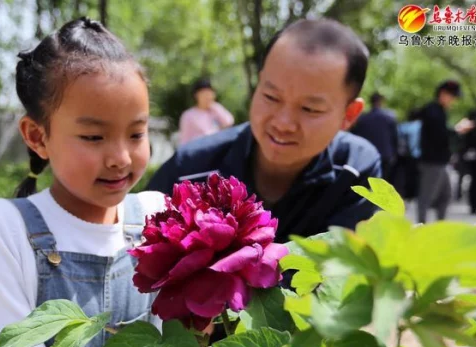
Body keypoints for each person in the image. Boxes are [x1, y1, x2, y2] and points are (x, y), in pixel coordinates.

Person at [0, 17, 165, 347]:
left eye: (137, 133)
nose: (121, 157)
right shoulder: (5, 229)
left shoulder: (159, 215)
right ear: (37, 136)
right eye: (93, 137)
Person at [148, 18, 381, 245]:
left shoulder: (355, 171)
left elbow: (339, 273)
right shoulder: (189, 170)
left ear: (349, 114)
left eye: (310, 109)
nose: (283, 123)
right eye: (271, 97)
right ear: (259, 85)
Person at [416, 80, 472, 223]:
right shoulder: (433, 110)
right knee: (426, 197)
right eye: (452, 97)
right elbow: (439, 135)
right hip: (432, 162)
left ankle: (440, 228)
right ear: (443, 94)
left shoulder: (439, 111)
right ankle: (419, 229)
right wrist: (458, 130)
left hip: (441, 161)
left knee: (445, 195)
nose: (453, 101)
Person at [350, 92, 398, 182]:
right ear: (381, 102)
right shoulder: (389, 118)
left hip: (365, 155)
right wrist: (394, 153)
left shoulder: (362, 118)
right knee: (382, 183)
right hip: (385, 155)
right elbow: (394, 138)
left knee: (364, 183)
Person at [178, 78, 235, 146]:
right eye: (204, 94)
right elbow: (184, 140)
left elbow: (229, 122)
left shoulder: (214, 111)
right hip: (198, 150)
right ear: (196, 95)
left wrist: (215, 106)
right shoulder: (188, 115)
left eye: (210, 93)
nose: (207, 97)